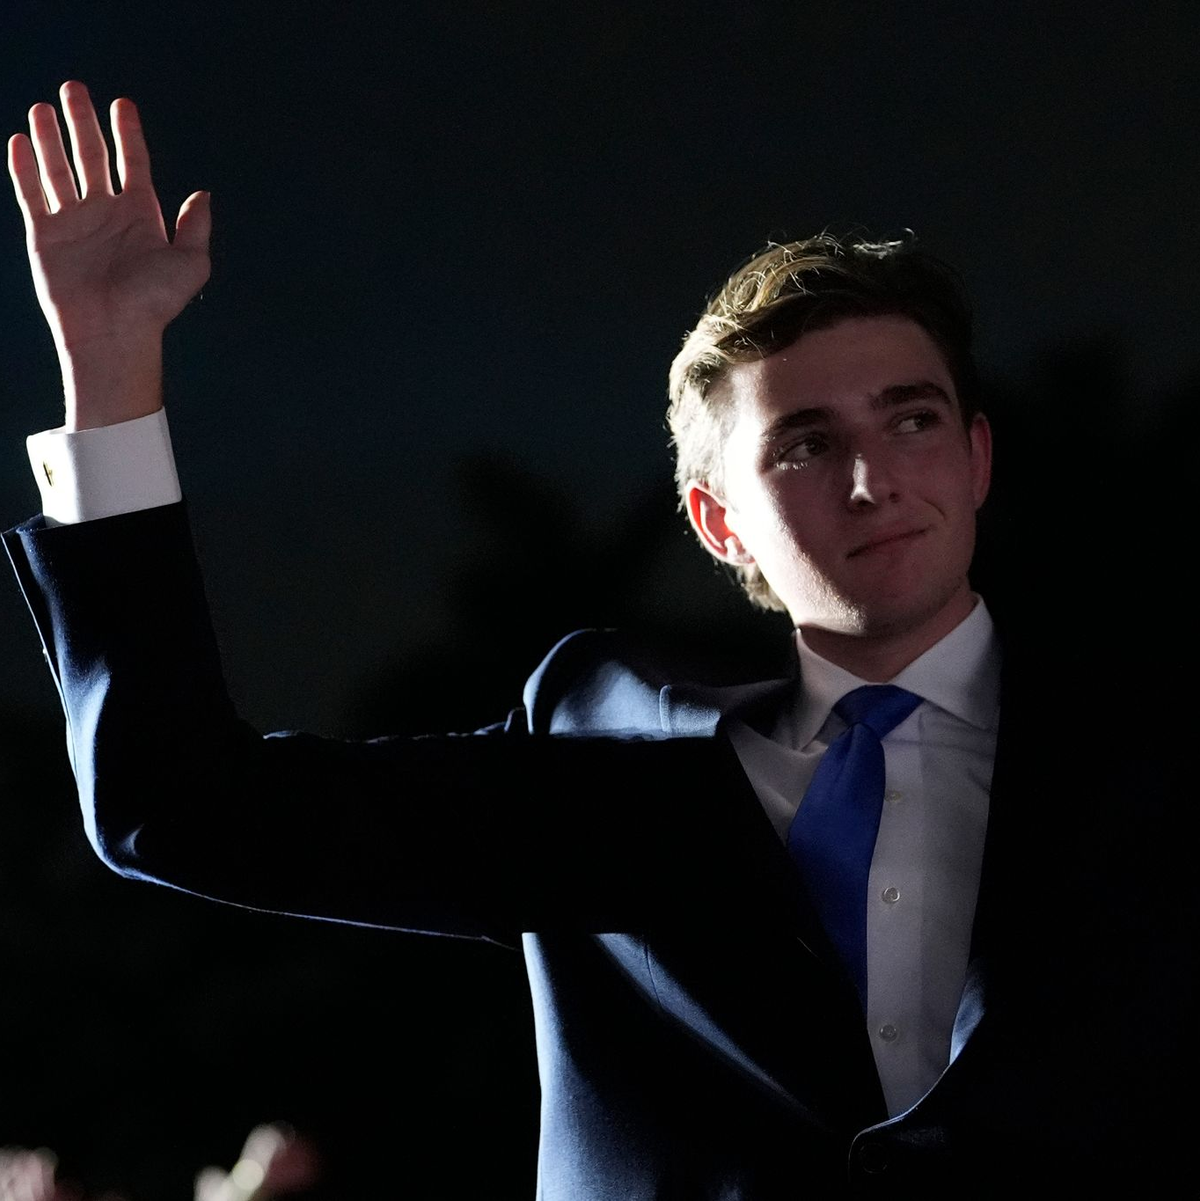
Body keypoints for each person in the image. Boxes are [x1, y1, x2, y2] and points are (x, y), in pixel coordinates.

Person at [5, 82, 1193, 1196]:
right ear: (719, 519)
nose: (875, 478)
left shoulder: (1146, 749)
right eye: (805, 443)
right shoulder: (613, 750)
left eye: (913, 419)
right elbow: (187, 804)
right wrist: (111, 375)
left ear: (977, 457)